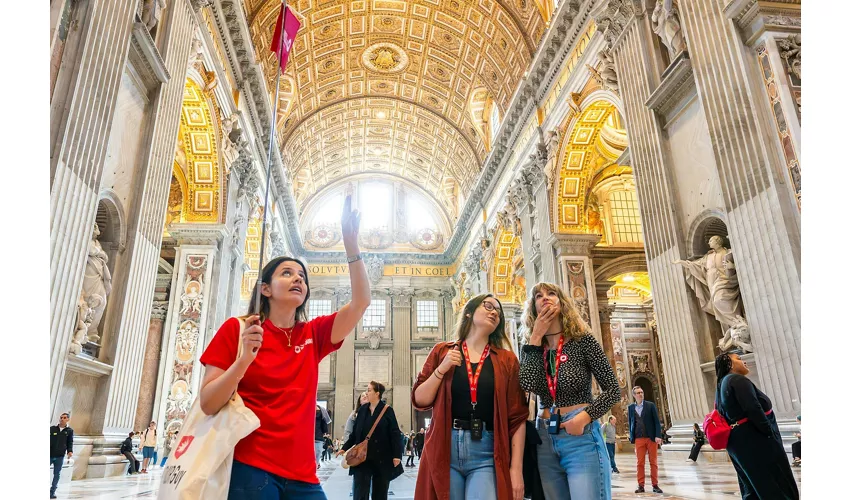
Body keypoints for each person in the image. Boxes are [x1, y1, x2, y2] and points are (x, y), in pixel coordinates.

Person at [198, 194, 370, 499]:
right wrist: (242, 363)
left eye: (302, 276)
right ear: (265, 288)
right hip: (250, 466)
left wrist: (351, 244)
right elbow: (209, 402)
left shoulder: (313, 334)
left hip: (303, 473)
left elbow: (360, 303)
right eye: (287, 273)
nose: (297, 279)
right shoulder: (238, 330)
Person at [412, 293, 528, 500]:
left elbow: (518, 417)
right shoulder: (442, 351)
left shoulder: (507, 360)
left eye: (498, 311)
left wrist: (516, 469)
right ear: (468, 312)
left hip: (486, 451)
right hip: (444, 448)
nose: (494, 312)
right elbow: (420, 399)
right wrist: (442, 368)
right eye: (488, 306)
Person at [519, 282, 619, 500]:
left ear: (561, 302)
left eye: (551, 293)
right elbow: (526, 385)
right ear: (533, 307)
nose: (544, 297)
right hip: (544, 436)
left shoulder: (583, 341)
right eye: (538, 296)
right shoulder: (531, 347)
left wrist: (584, 418)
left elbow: (613, 390)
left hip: (580, 435)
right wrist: (536, 337)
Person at [715, 352, 799, 499]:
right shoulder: (737, 379)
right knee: (775, 482)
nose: (744, 361)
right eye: (738, 359)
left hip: (738, 441)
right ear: (729, 364)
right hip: (754, 438)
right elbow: (753, 408)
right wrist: (768, 431)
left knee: (752, 486)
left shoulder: (721, 384)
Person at [341, 381, 402, 500]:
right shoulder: (362, 410)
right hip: (362, 457)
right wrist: (344, 447)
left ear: (377, 393)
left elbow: (395, 434)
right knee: (360, 492)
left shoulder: (388, 410)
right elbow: (355, 433)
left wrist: (396, 455)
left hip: (382, 457)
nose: (366, 392)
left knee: (380, 492)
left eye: (369, 390)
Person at [627, 386, 664, 494]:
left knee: (653, 462)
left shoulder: (650, 405)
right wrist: (631, 435)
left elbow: (656, 421)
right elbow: (631, 422)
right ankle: (641, 485)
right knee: (640, 463)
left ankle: (655, 485)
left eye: (641, 392)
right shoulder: (630, 408)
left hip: (651, 437)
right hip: (638, 438)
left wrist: (658, 435)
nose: (640, 394)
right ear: (634, 395)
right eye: (638, 393)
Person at [49, 412, 74, 499]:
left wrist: (70, 451)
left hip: (60, 456)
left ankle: (52, 492)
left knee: (57, 474)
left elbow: (69, 442)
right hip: (49, 455)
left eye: (64, 418)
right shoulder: (52, 429)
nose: (62, 419)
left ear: (67, 419)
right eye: (61, 417)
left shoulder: (69, 431)